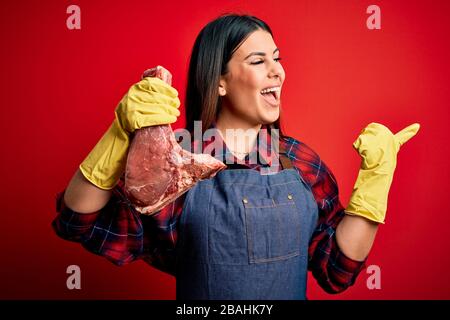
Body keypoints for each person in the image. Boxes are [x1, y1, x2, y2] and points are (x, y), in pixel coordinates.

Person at [53, 14, 420, 300]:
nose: (277, 70)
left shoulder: (300, 161)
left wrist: (376, 179)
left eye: (277, 58)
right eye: (259, 60)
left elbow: (337, 271)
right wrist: (119, 135)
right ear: (220, 82)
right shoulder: (176, 158)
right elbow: (79, 221)